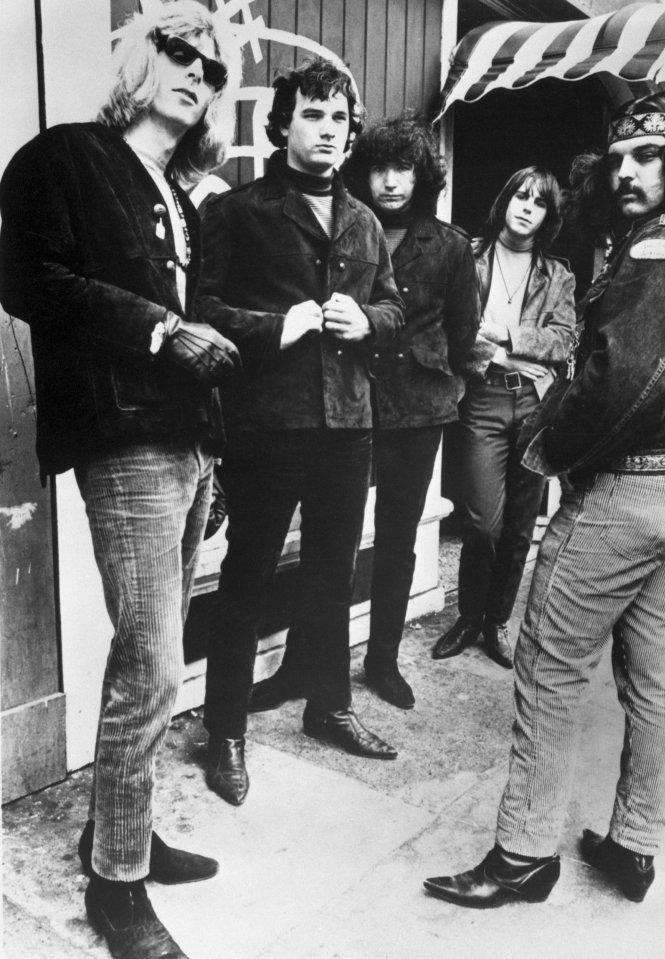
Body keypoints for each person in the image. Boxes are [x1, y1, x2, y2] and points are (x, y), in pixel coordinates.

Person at [423, 89, 665, 909]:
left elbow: (616, 388)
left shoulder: (663, 249)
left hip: (634, 492)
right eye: (620, 156)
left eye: (650, 156)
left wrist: (547, 448)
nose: (628, 170)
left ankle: (522, 854)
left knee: (548, 663)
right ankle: (635, 843)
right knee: (652, 675)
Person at [0, 4, 241, 958]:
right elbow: (26, 275)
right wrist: (156, 325)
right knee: (152, 656)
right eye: (179, 52)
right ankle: (117, 883)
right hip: (124, 435)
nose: (197, 72)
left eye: (213, 67)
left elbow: (204, 332)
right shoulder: (67, 156)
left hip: (183, 439)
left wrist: (213, 453)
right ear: (141, 59)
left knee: (152, 652)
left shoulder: (179, 190)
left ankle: (119, 826)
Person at [197, 57, 404, 805]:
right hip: (269, 424)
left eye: (339, 119)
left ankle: (330, 705)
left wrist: (368, 320)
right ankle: (224, 730)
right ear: (279, 125)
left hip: (347, 424)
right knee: (247, 575)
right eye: (312, 115)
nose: (327, 130)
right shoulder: (238, 211)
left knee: (331, 569)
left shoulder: (364, 219)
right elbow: (204, 311)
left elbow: (393, 310)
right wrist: (274, 327)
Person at [249, 114, 480, 712]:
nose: (390, 181)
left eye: (403, 168)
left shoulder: (451, 246)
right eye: (378, 167)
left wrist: (435, 382)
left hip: (416, 411)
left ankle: (381, 662)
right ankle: (300, 665)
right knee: (330, 542)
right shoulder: (347, 228)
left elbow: (464, 333)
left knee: (399, 537)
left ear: (423, 174)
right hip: (344, 406)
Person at [431, 167, 575, 669]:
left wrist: (510, 338)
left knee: (519, 527)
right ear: (504, 200)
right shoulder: (466, 258)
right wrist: (495, 356)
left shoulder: (558, 275)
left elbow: (564, 339)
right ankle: (467, 616)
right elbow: (452, 328)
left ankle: (494, 622)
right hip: (484, 399)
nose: (526, 207)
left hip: (535, 403)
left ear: (547, 217)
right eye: (520, 195)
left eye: (538, 202)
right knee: (483, 522)